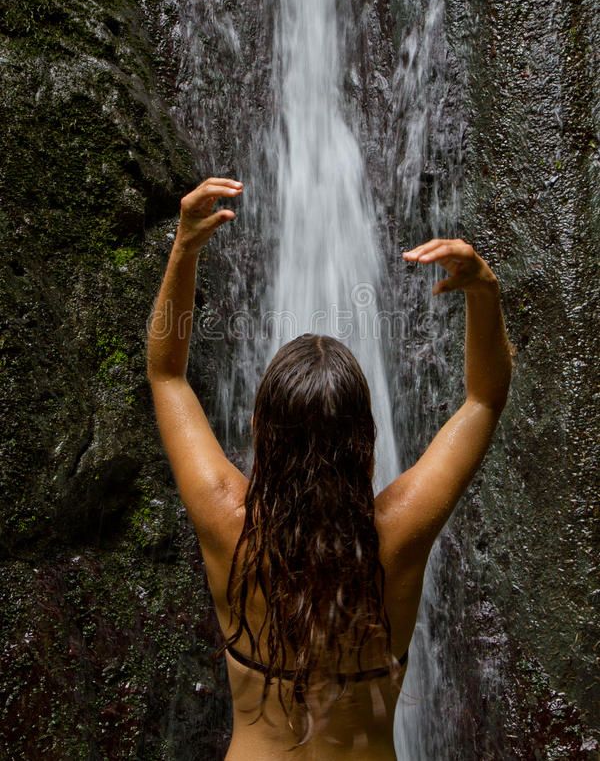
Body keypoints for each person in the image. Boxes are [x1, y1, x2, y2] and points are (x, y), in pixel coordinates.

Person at [146, 177, 514, 760]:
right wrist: (484, 289)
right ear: (367, 442)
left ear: (258, 434)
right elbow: (485, 398)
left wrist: (185, 246)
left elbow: (166, 375)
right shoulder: (399, 533)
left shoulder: (226, 522)